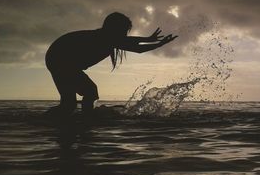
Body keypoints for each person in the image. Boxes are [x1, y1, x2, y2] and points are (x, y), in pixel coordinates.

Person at [45, 12, 177, 115]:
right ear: (114, 28)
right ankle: (85, 118)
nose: (125, 34)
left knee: (73, 101)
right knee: (81, 97)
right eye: (124, 30)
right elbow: (137, 48)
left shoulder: (107, 37)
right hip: (60, 59)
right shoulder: (106, 38)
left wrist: (149, 39)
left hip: (60, 59)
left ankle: (82, 118)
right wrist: (158, 43)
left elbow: (127, 41)